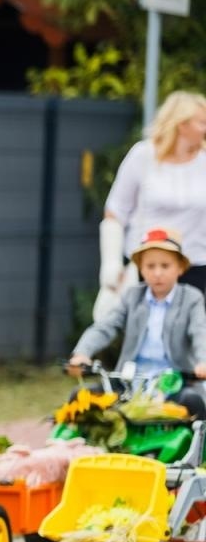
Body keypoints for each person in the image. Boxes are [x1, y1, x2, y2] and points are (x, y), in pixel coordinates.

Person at [72, 228, 206, 415]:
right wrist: (82, 353)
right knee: (80, 396)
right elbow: (105, 326)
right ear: (141, 269)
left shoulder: (192, 298)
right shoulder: (132, 296)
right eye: (150, 266)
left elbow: (200, 332)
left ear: (180, 268)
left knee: (193, 401)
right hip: (129, 383)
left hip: (174, 384)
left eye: (165, 266)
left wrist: (202, 361)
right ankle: (78, 444)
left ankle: (198, 443)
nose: (157, 273)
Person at [96, 91, 206, 319]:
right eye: (202, 122)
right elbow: (115, 212)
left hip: (196, 266)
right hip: (148, 266)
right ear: (181, 124)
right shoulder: (142, 156)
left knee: (193, 341)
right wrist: (111, 265)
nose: (205, 128)